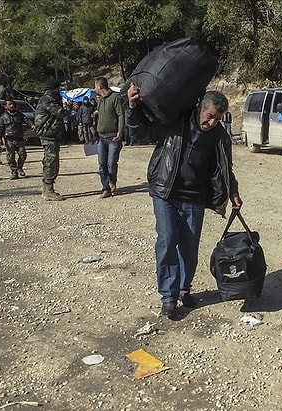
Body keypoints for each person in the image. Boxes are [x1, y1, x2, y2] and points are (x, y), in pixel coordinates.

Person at [126, 84, 243, 318]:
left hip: (195, 197)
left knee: (189, 248)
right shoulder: (176, 119)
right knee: (168, 241)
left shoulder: (220, 136)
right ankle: (168, 297)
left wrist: (233, 191)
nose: (211, 123)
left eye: (217, 119)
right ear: (200, 108)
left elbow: (224, 167)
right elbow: (141, 132)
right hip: (165, 191)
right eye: (209, 116)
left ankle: (183, 288)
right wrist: (132, 107)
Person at [34, 78, 68, 201]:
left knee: (50, 160)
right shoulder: (48, 100)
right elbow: (61, 113)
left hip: (51, 135)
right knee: (51, 161)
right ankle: (48, 190)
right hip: (48, 135)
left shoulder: (48, 99)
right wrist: (68, 105)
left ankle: (47, 189)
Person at [93, 76, 125, 198]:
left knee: (111, 163)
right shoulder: (100, 100)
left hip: (113, 138)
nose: (94, 88)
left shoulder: (115, 98)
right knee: (101, 164)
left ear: (100, 86)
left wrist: (120, 131)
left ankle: (112, 181)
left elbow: (121, 114)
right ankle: (105, 188)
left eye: (95, 85)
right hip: (101, 138)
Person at [0, 98, 30, 180]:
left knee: (23, 155)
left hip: (19, 138)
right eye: (9, 104)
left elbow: (27, 121)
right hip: (9, 140)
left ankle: (20, 167)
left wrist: (32, 125)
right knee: (10, 157)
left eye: (12, 104)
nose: (12, 106)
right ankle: (14, 171)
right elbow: (0, 128)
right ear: (5, 106)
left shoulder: (19, 115)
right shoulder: (3, 117)